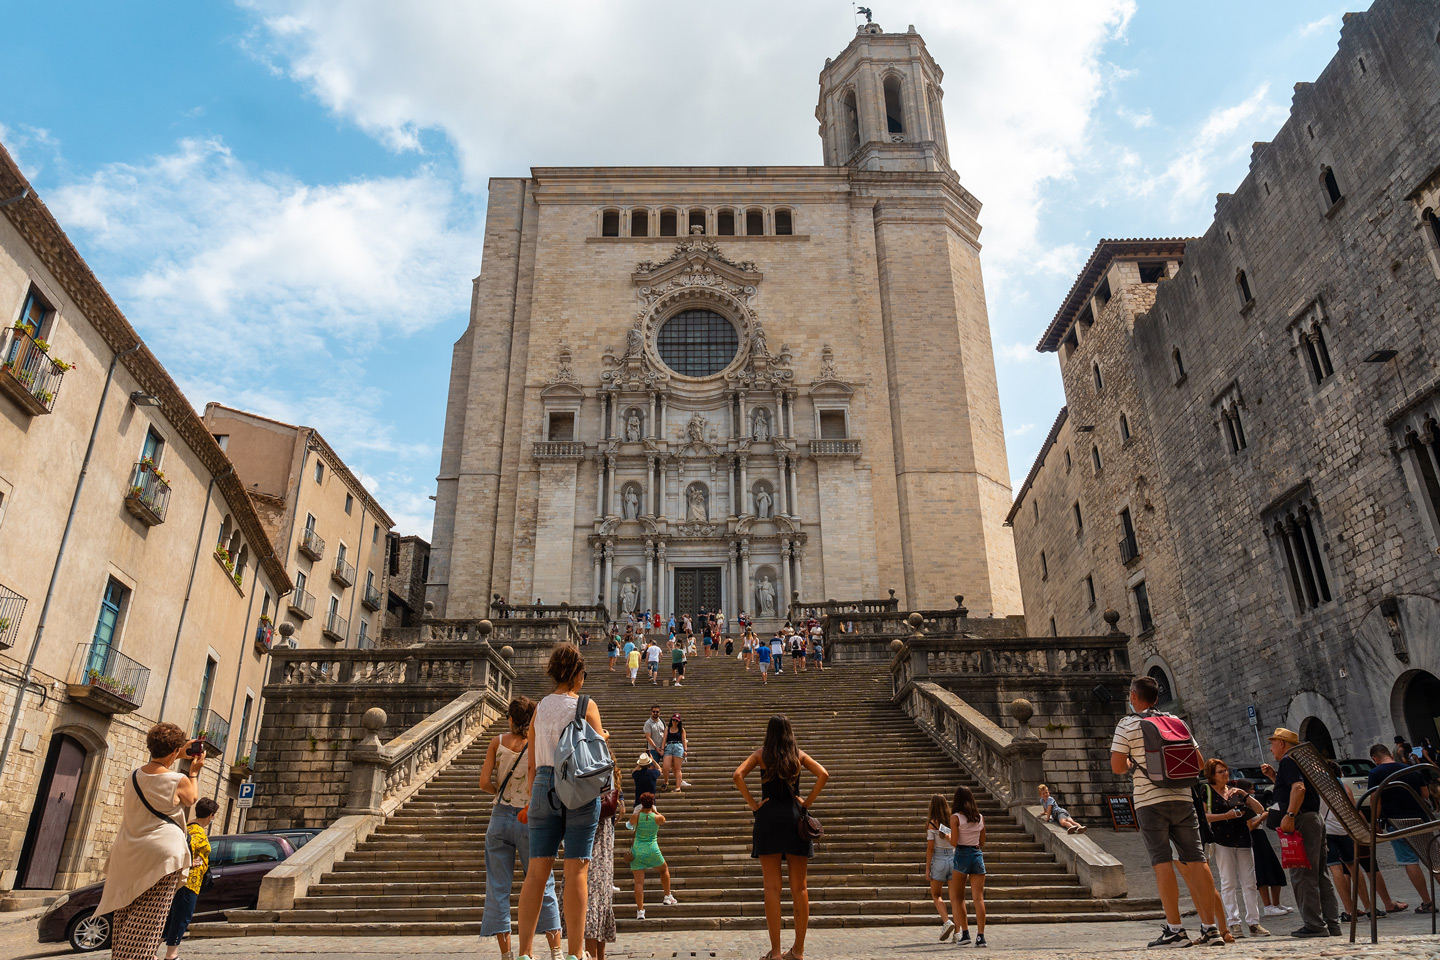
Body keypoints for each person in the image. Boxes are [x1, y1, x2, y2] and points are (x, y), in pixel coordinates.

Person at [1109, 675, 1225, 947]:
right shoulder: (1176, 722)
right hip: (1183, 798)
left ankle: (1175, 930)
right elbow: (1198, 763)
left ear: (1133, 696)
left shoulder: (1127, 725)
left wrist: (1133, 762)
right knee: (1197, 860)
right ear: (1157, 698)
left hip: (1150, 801)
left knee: (1162, 863)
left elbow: (1117, 767)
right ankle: (1211, 929)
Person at [515, 644, 608, 960]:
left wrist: (532, 798)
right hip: (578, 787)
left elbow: (530, 762)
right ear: (578, 675)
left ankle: (525, 953)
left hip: (542, 784)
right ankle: (575, 953)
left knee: (536, 874)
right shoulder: (586, 705)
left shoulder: (539, 708)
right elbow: (599, 757)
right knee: (576, 872)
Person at [96, 722, 204, 960]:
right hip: (161, 853)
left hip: (127, 851)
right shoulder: (179, 779)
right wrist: (194, 770)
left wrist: (176, 752)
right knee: (149, 919)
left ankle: (123, 957)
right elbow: (192, 798)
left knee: (126, 913)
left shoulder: (133, 776)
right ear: (175, 752)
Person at [733, 715, 829, 960]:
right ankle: (798, 951)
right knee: (800, 888)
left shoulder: (761, 754)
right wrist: (806, 802)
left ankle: (775, 952)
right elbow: (823, 775)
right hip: (796, 818)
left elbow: (737, 776)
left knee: (772, 889)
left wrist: (754, 804)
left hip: (768, 819)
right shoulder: (797, 755)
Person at [479, 696, 563, 960]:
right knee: (543, 883)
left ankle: (507, 955)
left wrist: (501, 795)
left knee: (498, 887)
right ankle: (556, 951)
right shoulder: (538, 745)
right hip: (531, 817)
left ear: (511, 719)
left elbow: (484, 783)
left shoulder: (498, 742)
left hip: (500, 817)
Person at [1261, 727, 1340, 937]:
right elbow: (1292, 789)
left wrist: (1290, 815)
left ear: (1283, 744)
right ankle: (1332, 924)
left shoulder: (1289, 760)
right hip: (1314, 818)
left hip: (1302, 820)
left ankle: (1314, 925)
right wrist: (1274, 777)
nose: (1271, 748)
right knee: (1320, 874)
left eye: (1273, 743)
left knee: (1303, 874)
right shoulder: (1300, 762)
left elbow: (1299, 789)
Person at [1196, 759, 1269, 938]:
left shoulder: (1236, 792)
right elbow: (1204, 817)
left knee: (1250, 882)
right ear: (1211, 775)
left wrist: (1245, 796)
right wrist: (1226, 815)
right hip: (1222, 840)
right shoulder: (1206, 791)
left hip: (1243, 839)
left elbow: (1259, 809)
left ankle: (1254, 922)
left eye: (1226, 771)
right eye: (1220, 772)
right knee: (1228, 882)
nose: (1225, 774)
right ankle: (1234, 923)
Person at [1366, 742, 1436, 914]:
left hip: (1396, 822)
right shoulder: (1409, 768)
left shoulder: (1375, 773)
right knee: (1434, 860)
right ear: (1389, 753)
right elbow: (1425, 795)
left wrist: (1375, 822)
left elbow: (1376, 800)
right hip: (1421, 819)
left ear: (1375, 759)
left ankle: (1427, 902)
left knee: (1409, 860)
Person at [1318, 758, 1377, 924]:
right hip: (1344, 829)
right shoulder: (1342, 785)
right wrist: (1365, 827)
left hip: (1327, 830)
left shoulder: (1317, 786)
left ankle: (1349, 910)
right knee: (1353, 865)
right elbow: (1354, 808)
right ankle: (1369, 907)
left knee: (1335, 867)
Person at [160, 796, 218, 959]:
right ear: (211, 815)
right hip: (189, 882)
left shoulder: (187, 827)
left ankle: (152, 949)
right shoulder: (196, 831)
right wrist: (190, 862)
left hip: (185, 880)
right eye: (213, 816)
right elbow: (177, 850)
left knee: (171, 916)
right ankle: (172, 954)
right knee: (182, 916)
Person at [1236, 778, 1291, 918]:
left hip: (1261, 836)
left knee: (1274, 868)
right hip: (1255, 838)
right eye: (1251, 789)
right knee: (1262, 871)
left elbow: (1259, 809)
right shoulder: (1242, 806)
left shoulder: (1251, 803)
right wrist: (1263, 817)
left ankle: (1276, 903)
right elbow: (1250, 826)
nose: (1254, 792)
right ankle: (1267, 905)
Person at [949, 785, 987, 947]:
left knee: (959, 897)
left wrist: (946, 835)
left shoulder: (955, 818)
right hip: (977, 855)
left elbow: (954, 842)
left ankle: (965, 933)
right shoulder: (979, 817)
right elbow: (983, 842)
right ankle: (981, 936)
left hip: (962, 855)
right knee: (978, 898)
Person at [628, 792, 677, 918]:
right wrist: (654, 811)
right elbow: (663, 819)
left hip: (638, 850)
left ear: (641, 803)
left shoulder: (636, 816)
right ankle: (667, 895)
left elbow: (629, 825)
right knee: (664, 869)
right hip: (652, 849)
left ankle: (640, 911)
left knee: (639, 882)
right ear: (652, 803)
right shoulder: (657, 818)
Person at [924, 793, 957, 941]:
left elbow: (930, 848)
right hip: (954, 857)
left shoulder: (932, 823)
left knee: (936, 894)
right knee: (955, 898)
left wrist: (927, 868)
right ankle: (958, 933)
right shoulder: (952, 821)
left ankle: (946, 921)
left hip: (939, 858)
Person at [663, 713, 691, 794]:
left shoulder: (681, 729)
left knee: (677, 768)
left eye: (676, 721)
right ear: (671, 720)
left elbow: (684, 740)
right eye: (673, 720)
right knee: (665, 767)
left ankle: (678, 787)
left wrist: (685, 750)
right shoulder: (667, 728)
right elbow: (664, 739)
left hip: (678, 747)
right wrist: (662, 748)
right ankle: (666, 782)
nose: (675, 722)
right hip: (668, 746)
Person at [644, 705, 667, 772]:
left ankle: (666, 782)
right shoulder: (648, 723)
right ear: (651, 712)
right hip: (653, 749)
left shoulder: (662, 722)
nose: (655, 713)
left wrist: (662, 748)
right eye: (654, 711)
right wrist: (656, 748)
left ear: (659, 713)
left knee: (667, 765)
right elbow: (648, 737)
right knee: (652, 767)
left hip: (663, 748)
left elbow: (665, 734)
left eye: (657, 712)